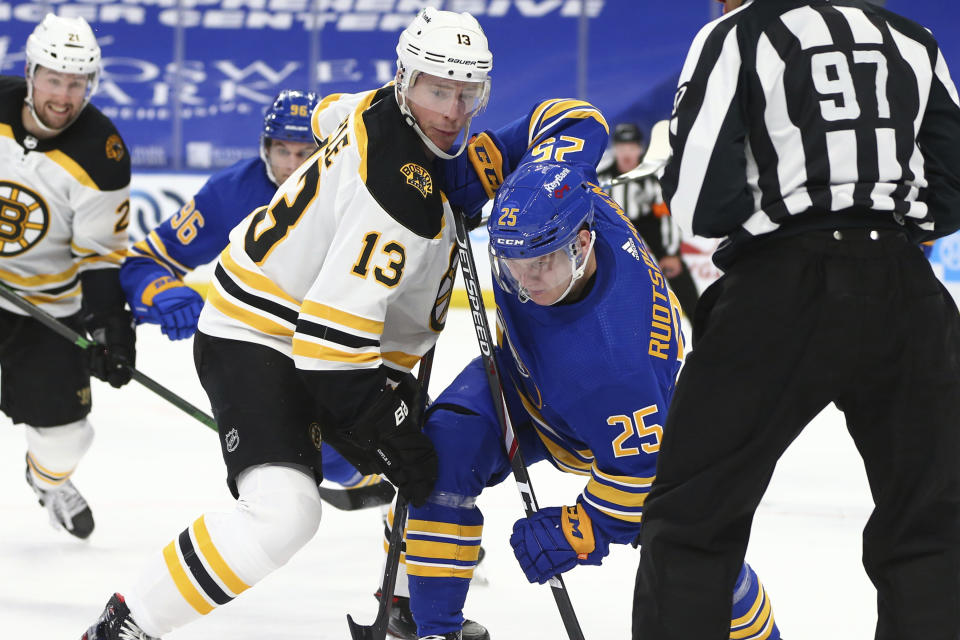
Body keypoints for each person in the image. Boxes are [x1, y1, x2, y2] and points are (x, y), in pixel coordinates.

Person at [80, 7, 493, 639]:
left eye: (468, 93)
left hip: (330, 335)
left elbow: (330, 110)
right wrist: (385, 431)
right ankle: (125, 626)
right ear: (407, 81)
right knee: (286, 515)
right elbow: (331, 350)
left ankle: (412, 615)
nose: (453, 111)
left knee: (441, 462)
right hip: (261, 335)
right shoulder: (396, 201)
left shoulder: (376, 103)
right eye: (439, 91)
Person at [633, 0, 960, 638]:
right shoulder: (912, 39)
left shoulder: (738, 33)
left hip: (781, 288)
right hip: (906, 290)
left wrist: (783, 217)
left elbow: (700, 199)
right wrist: (886, 222)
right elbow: (953, 189)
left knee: (693, 520)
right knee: (932, 526)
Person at [396, 132, 781, 637]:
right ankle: (432, 628)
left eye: (541, 264)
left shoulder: (617, 365)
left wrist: (581, 529)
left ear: (582, 243)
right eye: (511, 266)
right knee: (439, 455)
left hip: (612, 422)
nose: (525, 283)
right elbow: (572, 117)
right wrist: (481, 158)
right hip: (521, 375)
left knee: (697, 543)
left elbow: (641, 477)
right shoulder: (564, 196)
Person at [118, 89, 391, 500]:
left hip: (342, 340)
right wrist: (166, 295)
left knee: (383, 442)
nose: (293, 165)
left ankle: (394, 506)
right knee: (326, 453)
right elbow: (146, 262)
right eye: (282, 150)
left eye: (305, 151)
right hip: (262, 347)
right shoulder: (230, 192)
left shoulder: (359, 187)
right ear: (264, 147)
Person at [0, 14, 135, 541]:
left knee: (67, 437)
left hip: (47, 310)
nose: (63, 96)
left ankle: (47, 480)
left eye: (76, 83)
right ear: (31, 72)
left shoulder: (102, 153)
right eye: (53, 79)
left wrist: (109, 326)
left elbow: (100, 256)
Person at [598, 122, 699, 318]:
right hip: (616, 228)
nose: (627, 154)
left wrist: (671, 253)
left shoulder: (652, 178)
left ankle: (701, 325)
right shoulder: (603, 180)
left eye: (632, 148)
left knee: (677, 274)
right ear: (614, 150)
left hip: (648, 223)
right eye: (622, 148)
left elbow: (666, 215)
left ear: (640, 149)